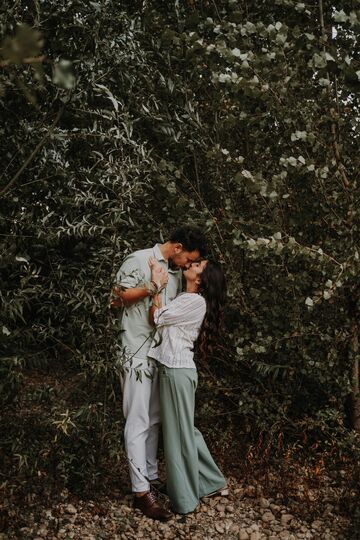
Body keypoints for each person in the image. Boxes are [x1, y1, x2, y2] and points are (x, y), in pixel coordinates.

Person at [111, 227, 207, 521]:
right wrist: (152, 287)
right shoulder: (139, 260)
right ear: (177, 247)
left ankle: (150, 479)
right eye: (189, 258)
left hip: (159, 357)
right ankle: (141, 493)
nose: (189, 265)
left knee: (153, 420)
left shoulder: (178, 276)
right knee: (138, 421)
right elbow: (116, 299)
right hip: (135, 352)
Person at [147, 257, 228, 515]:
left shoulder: (194, 301)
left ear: (201, 278)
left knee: (177, 435)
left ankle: (185, 500)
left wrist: (156, 285)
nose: (191, 265)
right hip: (177, 370)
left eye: (198, 266)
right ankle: (213, 482)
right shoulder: (187, 298)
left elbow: (157, 318)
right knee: (185, 430)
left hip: (176, 370)